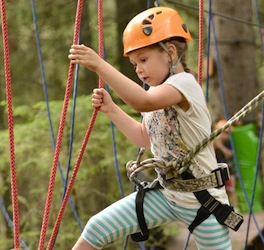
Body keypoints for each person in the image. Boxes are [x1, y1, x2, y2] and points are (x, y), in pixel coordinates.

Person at [69, 7, 241, 250]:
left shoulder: (184, 84)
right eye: (134, 63)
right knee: (96, 227)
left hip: (204, 201)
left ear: (170, 53)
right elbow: (144, 139)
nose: (138, 69)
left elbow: (142, 101)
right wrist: (111, 109)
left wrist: (99, 65)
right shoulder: (155, 92)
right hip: (167, 195)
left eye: (143, 60)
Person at [213, 120, 239, 210]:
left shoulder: (228, 143)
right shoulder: (213, 142)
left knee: (231, 190)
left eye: (227, 134)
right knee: (218, 191)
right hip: (216, 170)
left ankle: (236, 208)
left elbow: (229, 154)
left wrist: (221, 146)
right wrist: (216, 145)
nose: (225, 136)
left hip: (228, 170)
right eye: (223, 133)